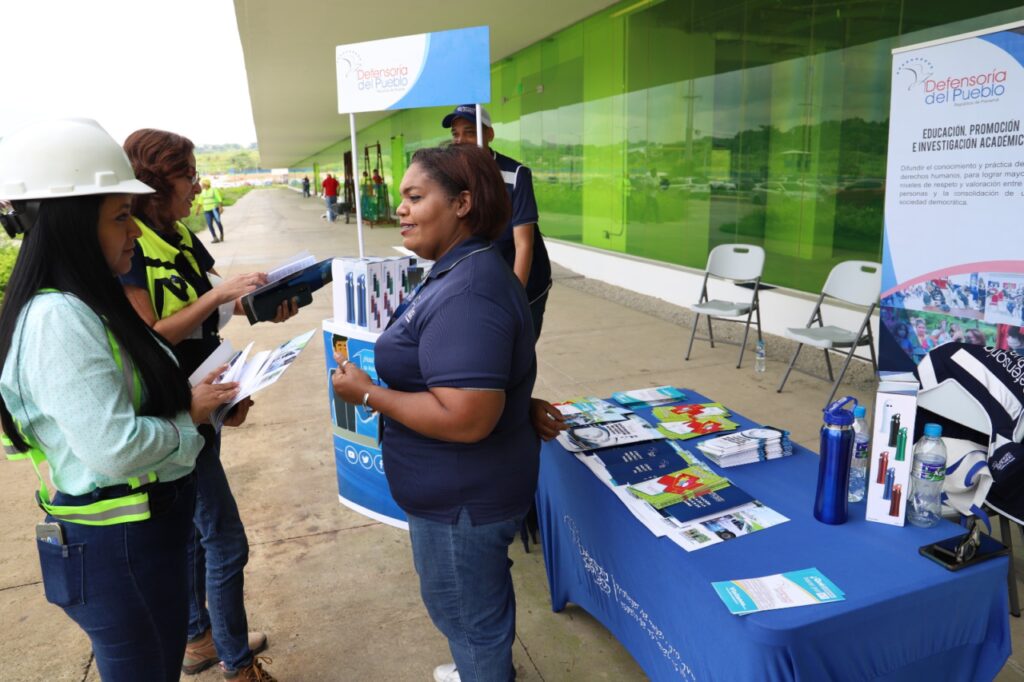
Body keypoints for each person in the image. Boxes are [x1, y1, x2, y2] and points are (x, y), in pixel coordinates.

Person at [0, 118, 238, 681]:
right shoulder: (59, 317)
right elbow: (114, 445)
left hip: (139, 537)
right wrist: (190, 421)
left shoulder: (86, 301)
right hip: (115, 547)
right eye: (120, 216)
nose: (134, 230)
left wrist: (199, 398)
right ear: (74, 225)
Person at [332, 144, 538, 682]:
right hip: (463, 495)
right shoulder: (462, 270)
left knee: (471, 621)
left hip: (461, 503)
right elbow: (483, 380)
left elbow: (467, 416)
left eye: (415, 196)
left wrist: (367, 395)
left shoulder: (470, 289)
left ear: (463, 203)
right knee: (475, 611)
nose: (399, 208)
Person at [121, 128, 295, 681]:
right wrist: (218, 297)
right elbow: (148, 334)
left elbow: (216, 305)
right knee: (225, 542)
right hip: (175, 412)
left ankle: (201, 638)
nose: (198, 186)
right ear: (155, 180)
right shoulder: (131, 246)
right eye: (188, 176)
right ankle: (237, 665)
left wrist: (260, 303)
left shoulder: (178, 236)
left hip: (207, 395)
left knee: (200, 535)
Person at [443, 104, 553, 341]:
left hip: (525, 282)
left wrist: (515, 300)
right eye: (455, 133)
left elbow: (524, 244)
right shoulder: (451, 176)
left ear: (490, 134)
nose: (460, 140)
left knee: (518, 353)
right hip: (483, 278)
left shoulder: (516, 174)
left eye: (470, 132)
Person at [195, 178, 225, 243]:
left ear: (207, 184)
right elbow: (200, 202)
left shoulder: (213, 190)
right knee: (209, 224)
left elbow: (219, 199)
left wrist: (220, 207)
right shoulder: (202, 192)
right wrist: (197, 210)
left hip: (214, 209)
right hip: (207, 211)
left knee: (218, 222)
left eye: (203, 184)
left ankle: (221, 234)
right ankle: (215, 237)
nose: (202, 186)